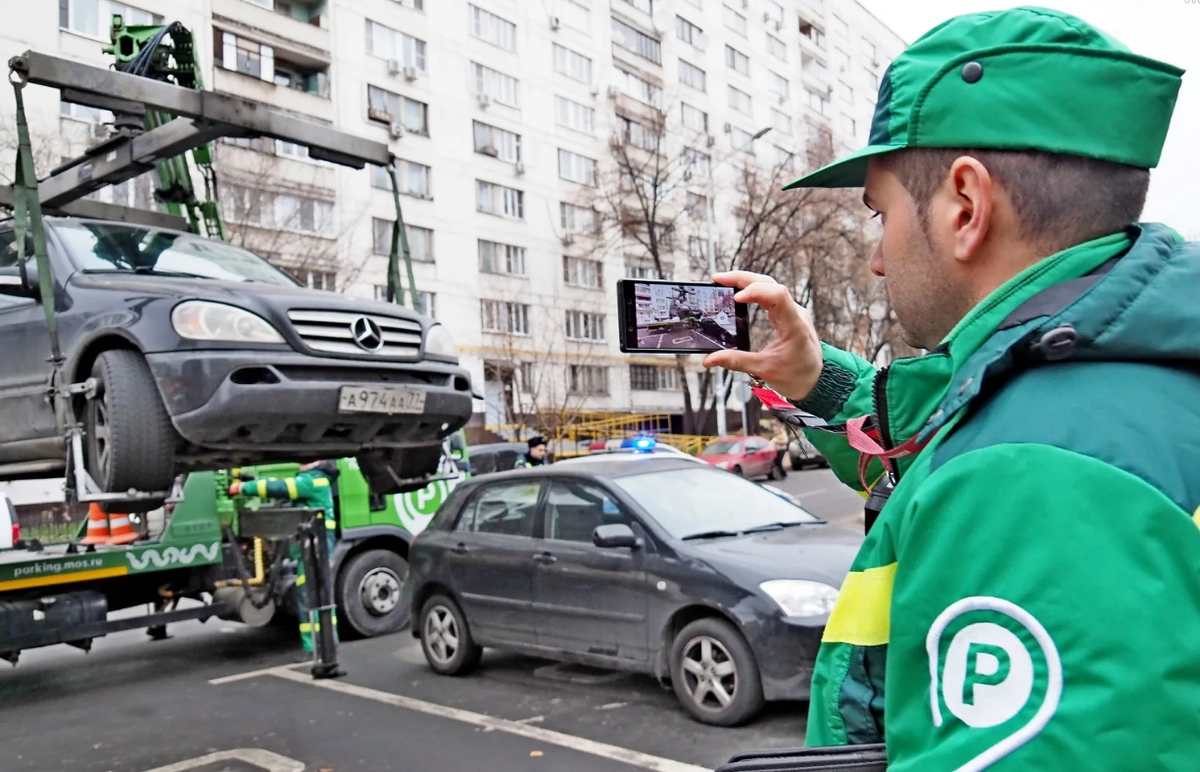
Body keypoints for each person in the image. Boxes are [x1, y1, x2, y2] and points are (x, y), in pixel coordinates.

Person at [704, 7, 1200, 769]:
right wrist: (819, 381)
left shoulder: (1030, 475)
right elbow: (950, 425)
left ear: (964, 207)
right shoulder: (1125, 370)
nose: (876, 259)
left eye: (883, 215)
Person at [229, 460, 340, 657]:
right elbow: (281, 483)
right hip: (312, 546)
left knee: (311, 596)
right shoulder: (313, 480)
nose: (300, 462)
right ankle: (321, 646)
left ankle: (319, 648)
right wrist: (256, 480)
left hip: (315, 546)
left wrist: (243, 487)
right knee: (312, 595)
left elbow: (282, 487)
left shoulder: (313, 482)